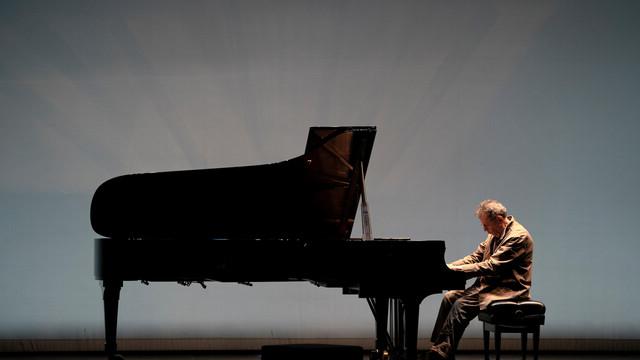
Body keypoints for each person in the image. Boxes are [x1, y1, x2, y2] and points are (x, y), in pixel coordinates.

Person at [428, 199, 534, 360]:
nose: (484, 229)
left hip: (508, 290)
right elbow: (475, 257)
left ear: (499, 219)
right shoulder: (495, 233)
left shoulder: (518, 237)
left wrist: (454, 271)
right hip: (489, 286)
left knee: (460, 305)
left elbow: (491, 266)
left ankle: (440, 354)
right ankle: (439, 348)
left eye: (486, 225)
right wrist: (446, 267)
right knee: (449, 298)